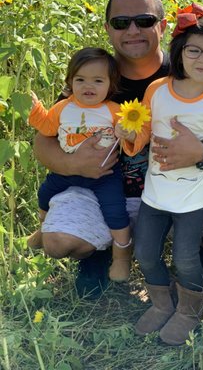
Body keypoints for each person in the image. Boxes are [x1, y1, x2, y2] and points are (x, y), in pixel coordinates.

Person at [32, 0, 203, 300]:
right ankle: (100, 249)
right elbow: (43, 140)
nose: (133, 30)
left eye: (145, 21)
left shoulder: (190, 69)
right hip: (107, 192)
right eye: (122, 23)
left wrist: (202, 150)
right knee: (58, 241)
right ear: (108, 29)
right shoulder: (95, 75)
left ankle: (202, 249)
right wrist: (72, 163)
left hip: (180, 188)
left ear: (163, 26)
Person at [116, 3, 203, 345]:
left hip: (194, 197)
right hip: (155, 193)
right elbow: (146, 131)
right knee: (146, 251)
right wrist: (132, 138)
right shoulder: (157, 90)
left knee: (185, 256)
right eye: (194, 50)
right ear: (179, 51)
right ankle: (162, 303)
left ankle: (190, 310)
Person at [28, 47, 133, 283]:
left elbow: (131, 139)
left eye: (98, 80)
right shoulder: (63, 107)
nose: (89, 86)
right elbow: (47, 128)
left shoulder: (113, 110)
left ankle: (121, 256)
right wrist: (36, 110)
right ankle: (42, 227)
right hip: (66, 171)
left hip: (105, 173)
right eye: (81, 80)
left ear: (111, 84)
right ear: (70, 82)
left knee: (116, 211)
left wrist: (127, 132)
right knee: (44, 193)